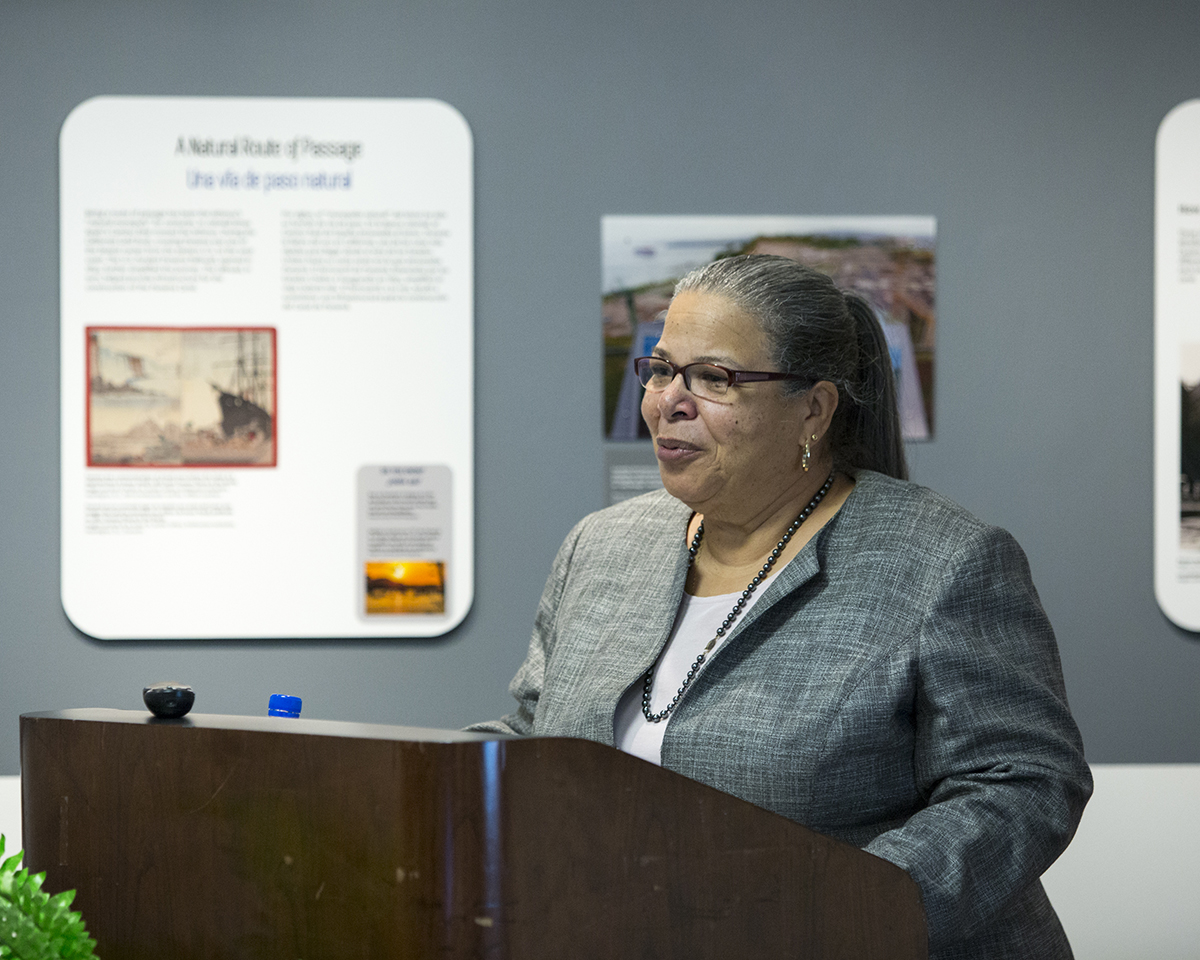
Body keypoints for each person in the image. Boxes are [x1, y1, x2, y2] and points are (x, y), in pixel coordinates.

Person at [472, 254, 1091, 959]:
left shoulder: (944, 560)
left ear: (814, 409)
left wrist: (846, 908)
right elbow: (531, 734)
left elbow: (1022, 781)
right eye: (663, 368)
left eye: (714, 378)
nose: (668, 401)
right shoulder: (603, 545)